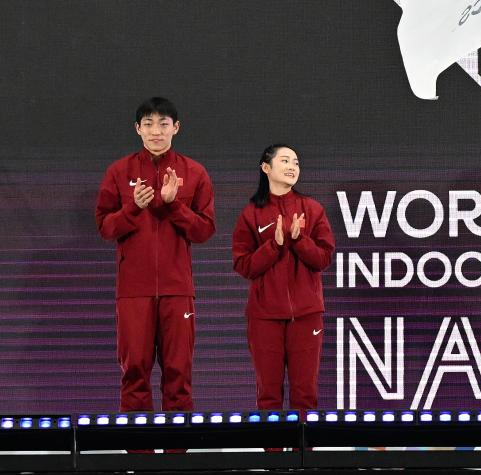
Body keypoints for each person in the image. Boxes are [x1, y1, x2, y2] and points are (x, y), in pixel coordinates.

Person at [96, 97, 215, 413]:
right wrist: (133, 207)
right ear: (138, 129)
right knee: (134, 372)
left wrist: (174, 205)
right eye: (148, 124)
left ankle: (179, 444)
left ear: (176, 128)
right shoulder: (119, 171)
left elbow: (204, 230)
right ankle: (137, 444)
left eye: (163, 124)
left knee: (179, 373)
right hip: (134, 290)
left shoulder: (194, 172)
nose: (156, 131)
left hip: (178, 290)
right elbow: (105, 227)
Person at [233, 144, 335, 413]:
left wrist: (299, 240)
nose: (292, 167)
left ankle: (304, 442)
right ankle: (272, 443)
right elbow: (243, 265)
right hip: (264, 317)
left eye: (296, 162)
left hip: (306, 315)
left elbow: (323, 258)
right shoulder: (251, 213)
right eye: (285, 161)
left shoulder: (311, 208)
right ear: (266, 168)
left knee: (305, 394)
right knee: (268, 395)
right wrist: (274, 246)